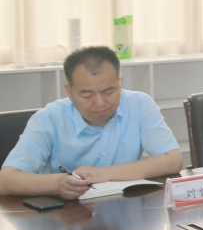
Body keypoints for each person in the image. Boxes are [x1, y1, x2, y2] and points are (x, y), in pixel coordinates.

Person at [0, 46, 181, 200]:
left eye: (108, 91)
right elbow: (6, 179)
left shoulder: (139, 105)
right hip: (68, 217)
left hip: (125, 208)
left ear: (120, 82)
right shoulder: (49, 119)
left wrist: (105, 174)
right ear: (69, 91)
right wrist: (58, 183)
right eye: (87, 95)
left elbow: (173, 160)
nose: (100, 102)